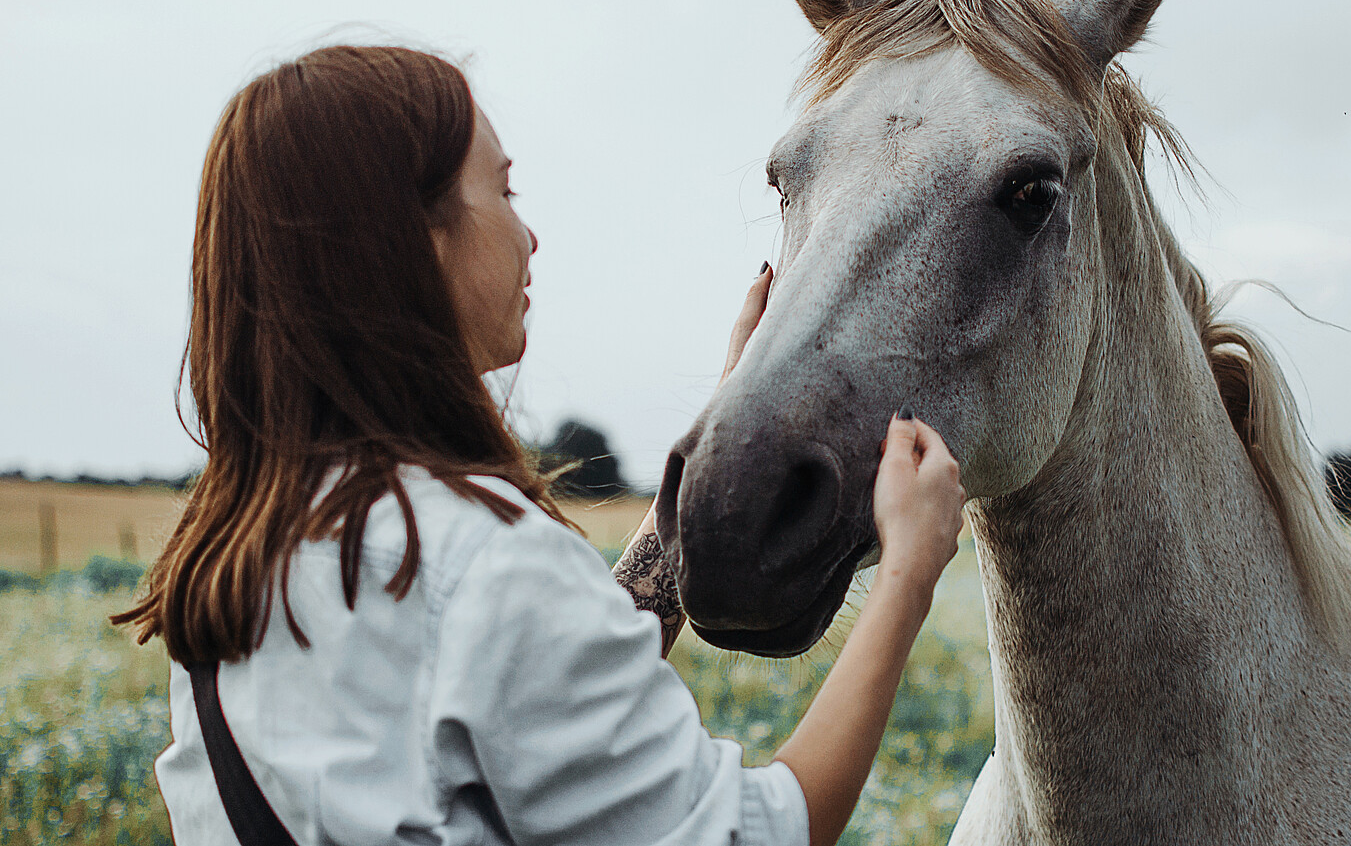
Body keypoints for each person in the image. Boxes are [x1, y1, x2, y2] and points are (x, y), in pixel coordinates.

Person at [113, 45, 968, 846]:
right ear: (417, 240)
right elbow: (764, 831)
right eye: (505, 191)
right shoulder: (481, 564)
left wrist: (719, 410)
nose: (529, 236)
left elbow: (532, 683)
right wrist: (907, 572)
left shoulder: (242, 563)